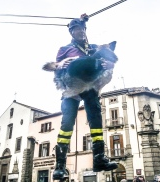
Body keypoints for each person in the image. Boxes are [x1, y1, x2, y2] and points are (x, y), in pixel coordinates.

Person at [50, 14, 118, 180]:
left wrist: (110, 63)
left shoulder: (93, 48)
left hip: (89, 86)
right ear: (71, 33)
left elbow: (106, 60)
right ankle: (59, 166)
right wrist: (59, 65)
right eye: (75, 30)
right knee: (67, 123)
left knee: (96, 119)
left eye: (81, 29)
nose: (79, 32)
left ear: (85, 31)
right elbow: (54, 66)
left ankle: (99, 158)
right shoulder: (64, 49)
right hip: (72, 87)